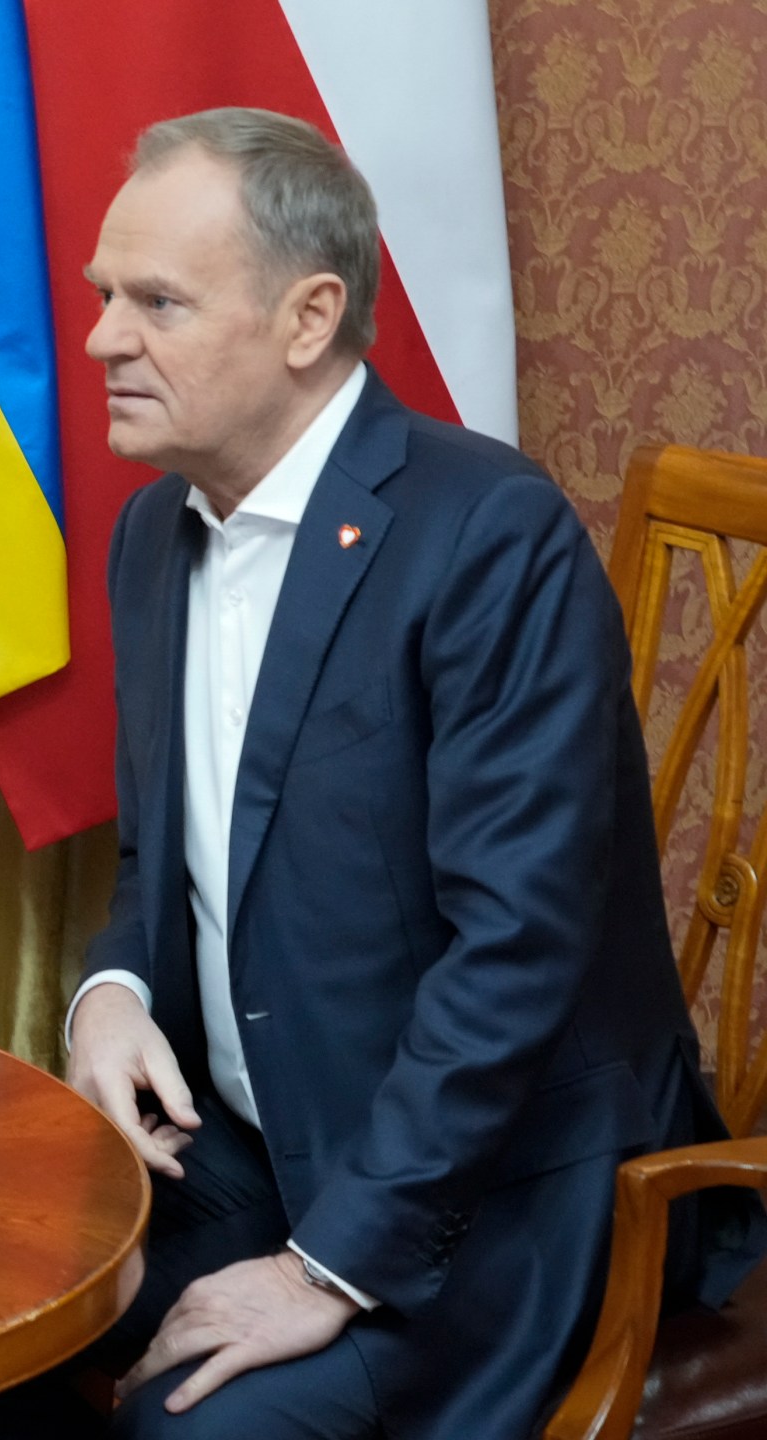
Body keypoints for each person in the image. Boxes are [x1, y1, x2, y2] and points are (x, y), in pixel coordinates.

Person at [54, 108, 764, 1438]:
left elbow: (516, 955)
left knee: (194, 1427)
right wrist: (110, 990)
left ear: (309, 317)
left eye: (157, 301)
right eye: (107, 296)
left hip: (492, 1193)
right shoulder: (155, 533)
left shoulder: (493, 539)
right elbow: (165, 858)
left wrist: (331, 1270)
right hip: (256, 1143)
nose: (101, 339)